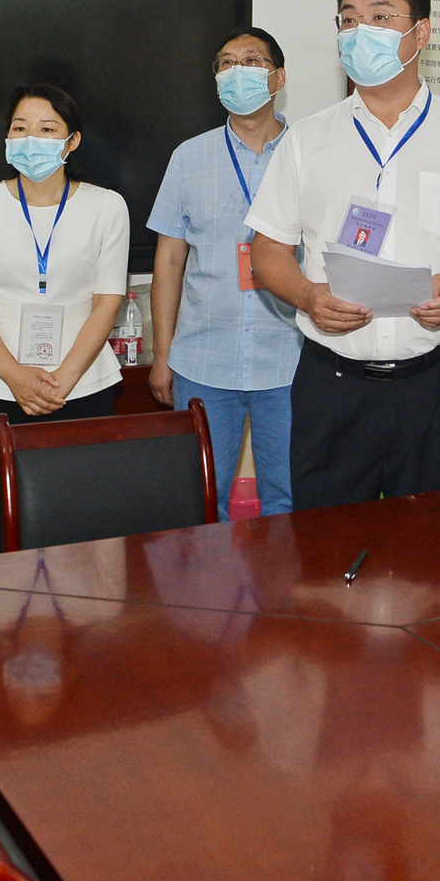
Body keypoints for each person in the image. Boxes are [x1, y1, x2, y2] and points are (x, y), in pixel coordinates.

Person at [245, 0, 440, 508]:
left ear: (420, 32)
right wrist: (307, 295)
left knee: (432, 546)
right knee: (326, 547)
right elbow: (267, 250)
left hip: (435, 386)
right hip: (331, 385)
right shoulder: (307, 140)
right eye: (348, 19)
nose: (361, 32)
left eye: (380, 17)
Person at [0, 84, 130, 554]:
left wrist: (62, 381)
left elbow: (107, 302)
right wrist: (16, 377)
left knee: (83, 535)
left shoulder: (107, 206)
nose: (31, 139)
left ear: (72, 141)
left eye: (47, 128)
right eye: (20, 128)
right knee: (0, 529)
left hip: (84, 387)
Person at [146, 26, 304, 519]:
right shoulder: (189, 157)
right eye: (226, 63)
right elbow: (169, 261)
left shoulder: (310, 153)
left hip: (293, 359)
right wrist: (162, 353)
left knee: (291, 498)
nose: (237, 72)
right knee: (201, 501)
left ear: (278, 77)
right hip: (203, 360)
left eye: (252, 61)